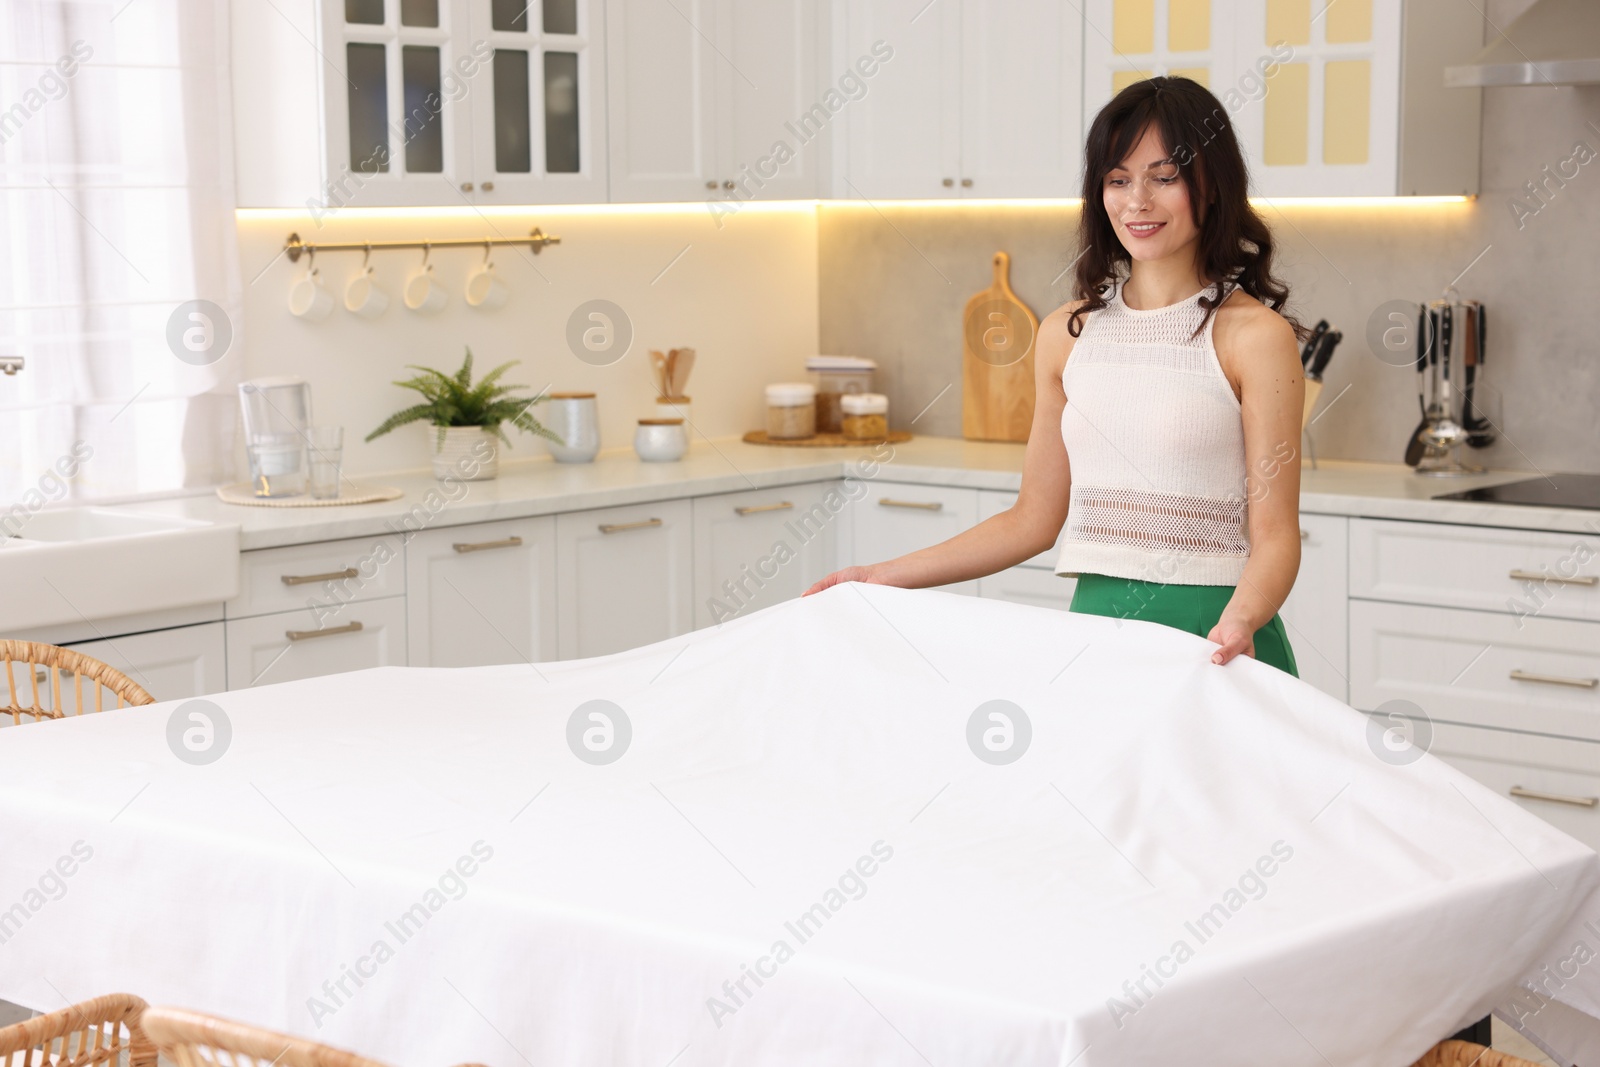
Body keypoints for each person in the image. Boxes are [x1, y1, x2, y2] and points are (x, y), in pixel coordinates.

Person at [805, 76, 1308, 675]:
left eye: (1164, 177)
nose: (1136, 201)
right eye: (1117, 180)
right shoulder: (1066, 334)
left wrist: (1241, 620)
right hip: (1095, 624)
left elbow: (1276, 535)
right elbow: (1032, 520)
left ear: (1213, 186)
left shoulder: (1255, 338)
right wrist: (882, 576)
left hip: (1216, 634)